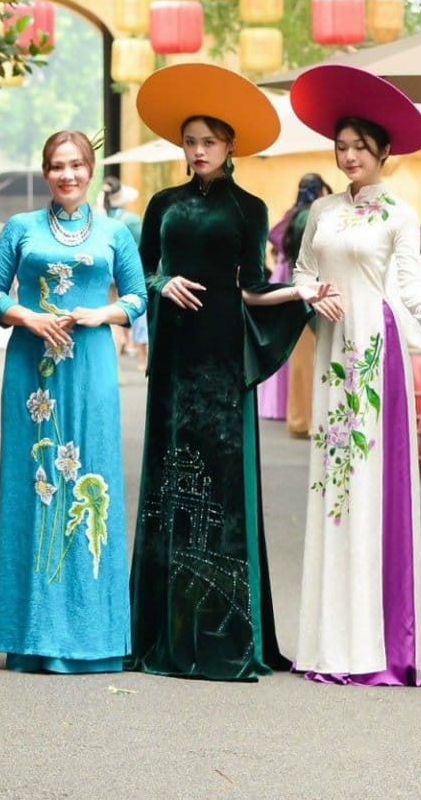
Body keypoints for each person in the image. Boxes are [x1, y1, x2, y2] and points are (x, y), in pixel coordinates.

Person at [126, 63, 322, 681]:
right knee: (167, 484)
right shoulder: (161, 204)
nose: (199, 151)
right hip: (175, 362)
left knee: (224, 496)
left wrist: (302, 293)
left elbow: (256, 290)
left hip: (220, 363)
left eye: (209, 141)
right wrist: (162, 283)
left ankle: (226, 636)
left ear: (230, 145)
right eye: (190, 142)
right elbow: (140, 272)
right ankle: (160, 632)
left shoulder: (250, 209)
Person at [285, 65, 421, 685]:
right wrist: (313, 296)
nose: (349, 157)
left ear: (383, 151)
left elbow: (407, 285)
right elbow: (302, 274)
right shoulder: (322, 213)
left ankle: (375, 643)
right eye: (341, 147)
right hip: (335, 350)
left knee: (368, 485)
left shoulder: (398, 212)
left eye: (360, 147)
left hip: (374, 352)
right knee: (331, 484)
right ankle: (327, 640)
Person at [0, 130, 145, 673]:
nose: (67, 175)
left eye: (76, 165)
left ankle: (94, 636)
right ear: (45, 172)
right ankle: (31, 635)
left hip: (92, 364)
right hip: (32, 370)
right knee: (35, 486)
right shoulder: (20, 228)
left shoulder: (116, 232)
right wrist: (27, 316)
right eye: (57, 166)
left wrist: (101, 315)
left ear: (91, 169)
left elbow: (139, 297)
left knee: (89, 477)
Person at [263, 173, 330, 422]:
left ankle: (299, 418)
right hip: (311, 290)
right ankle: (313, 419)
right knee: (313, 361)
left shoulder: (293, 215)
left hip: (291, 286)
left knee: (298, 361)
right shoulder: (312, 216)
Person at [103, 179, 145, 359]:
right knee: (125, 313)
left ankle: (113, 363)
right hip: (127, 276)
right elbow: (144, 248)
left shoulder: (102, 220)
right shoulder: (132, 220)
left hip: (105, 276)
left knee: (109, 317)